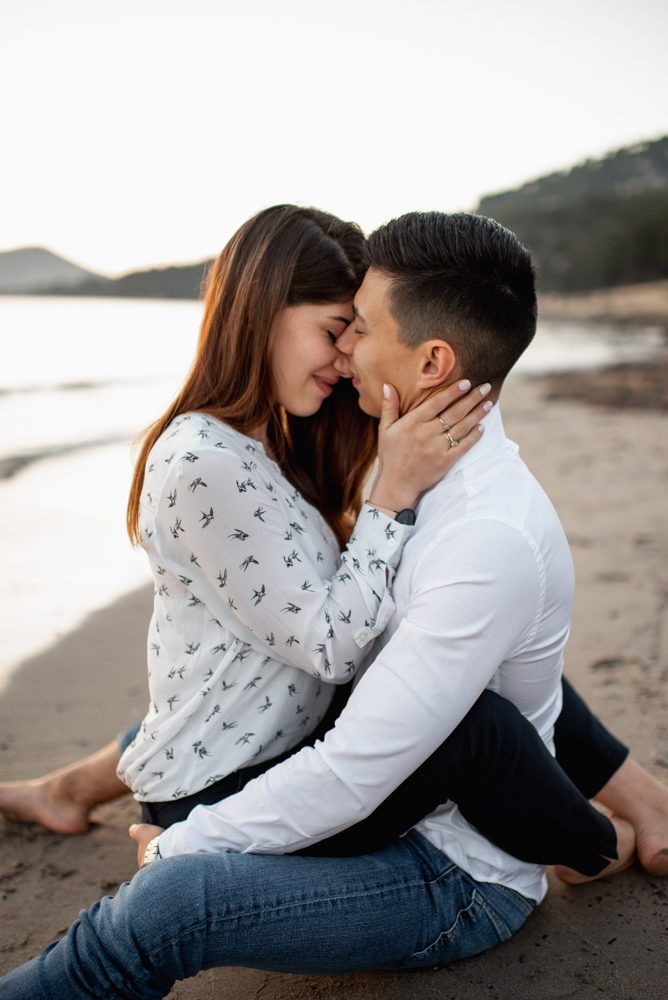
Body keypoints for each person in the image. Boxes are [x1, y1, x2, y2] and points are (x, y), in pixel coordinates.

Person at [3, 211, 668, 999]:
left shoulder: (473, 533)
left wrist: (184, 845)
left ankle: (608, 835)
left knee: (178, 893)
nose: (348, 347)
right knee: (413, 690)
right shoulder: (394, 457)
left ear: (431, 360)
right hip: (368, 779)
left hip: (453, 869)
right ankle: (614, 829)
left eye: (360, 327)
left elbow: (354, 746)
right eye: (337, 327)